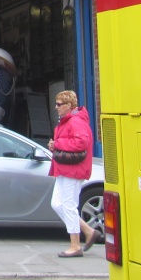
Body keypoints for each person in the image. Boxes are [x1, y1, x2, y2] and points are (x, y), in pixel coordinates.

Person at [48, 90, 101, 258]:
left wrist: (58, 143)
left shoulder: (76, 121)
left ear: (69, 106)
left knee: (69, 205)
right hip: (64, 168)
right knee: (57, 204)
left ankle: (75, 245)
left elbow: (81, 142)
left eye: (59, 104)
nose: (56, 107)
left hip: (73, 169)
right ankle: (88, 230)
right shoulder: (67, 121)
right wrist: (55, 145)